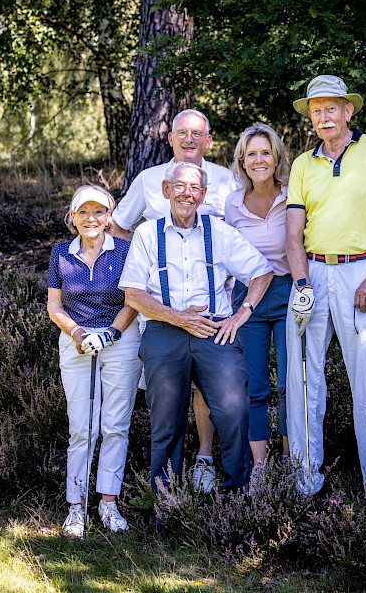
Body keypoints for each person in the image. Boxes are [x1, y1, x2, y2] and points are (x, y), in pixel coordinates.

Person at [284, 75, 366, 516]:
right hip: (313, 273)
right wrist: (300, 285)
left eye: (331, 107)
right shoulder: (302, 164)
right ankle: (303, 483)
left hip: (363, 271)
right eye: (316, 110)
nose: (323, 117)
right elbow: (293, 235)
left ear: (348, 111)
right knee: (303, 384)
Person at [119, 162, 274, 494]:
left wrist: (241, 313)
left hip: (215, 331)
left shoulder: (219, 231)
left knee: (234, 411)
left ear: (203, 195)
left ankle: (237, 498)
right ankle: (167, 502)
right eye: (179, 186)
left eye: (194, 188)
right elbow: (133, 293)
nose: (186, 194)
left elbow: (261, 271)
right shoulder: (147, 233)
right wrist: (176, 317)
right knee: (165, 421)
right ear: (166, 191)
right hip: (164, 332)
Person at [110, 109, 237, 493]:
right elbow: (118, 225)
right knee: (169, 388)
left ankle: (204, 459)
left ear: (208, 140)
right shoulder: (149, 180)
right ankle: (167, 482)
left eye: (197, 133)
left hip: (217, 299)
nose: (189, 139)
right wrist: (147, 262)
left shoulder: (227, 180)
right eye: (181, 132)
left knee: (211, 387)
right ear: (170, 138)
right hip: (161, 307)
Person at [47, 185, 143, 538]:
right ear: (72, 217)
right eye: (83, 212)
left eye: (99, 211)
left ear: (108, 217)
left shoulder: (127, 251)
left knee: (115, 425)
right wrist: (77, 334)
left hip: (120, 340)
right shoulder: (60, 253)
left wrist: (111, 333)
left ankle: (108, 502)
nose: (91, 218)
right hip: (76, 342)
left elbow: (133, 299)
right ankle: (76, 506)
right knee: (81, 427)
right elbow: (54, 306)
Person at [225, 124, 292, 485]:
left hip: (286, 295)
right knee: (255, 386)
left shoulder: (292, 194)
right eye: (251, 153)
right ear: (242, 161)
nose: (259, 159)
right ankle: (262, 468)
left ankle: (288, 460)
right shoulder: (232, 203)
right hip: (247, 299)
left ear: (276, 157)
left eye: (265, 152)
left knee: (287, 382)